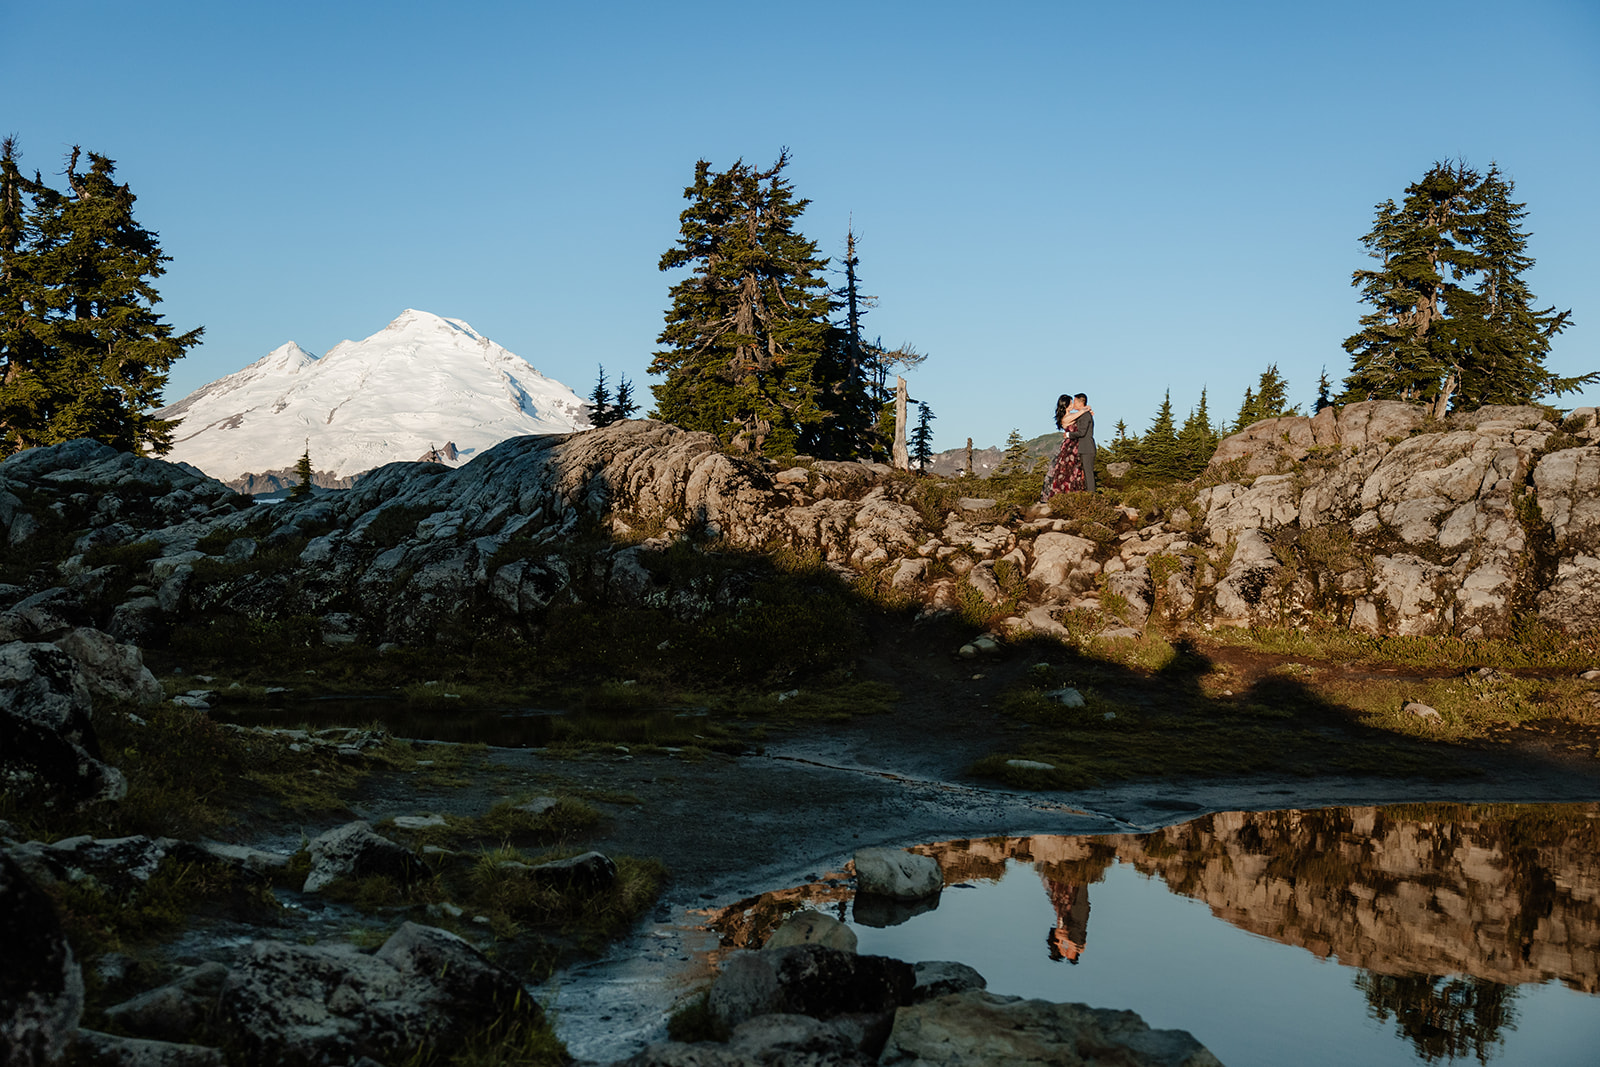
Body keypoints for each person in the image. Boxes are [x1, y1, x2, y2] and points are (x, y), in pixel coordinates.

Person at [1041, 393, 1089, 502]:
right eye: (1071, 403)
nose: (1072, 405)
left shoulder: (1072, 415)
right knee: (1068, 471)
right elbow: (1079, 414)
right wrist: (1086, 409)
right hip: (1070, 446)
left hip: (1076, 444)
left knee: (1074, 471)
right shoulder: (1065, 418)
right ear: (1066, 404)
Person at [1068, 392, 1096, 492]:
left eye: (1075, 402)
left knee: (1088, 473)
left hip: (1087, 448)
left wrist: (1068, 435)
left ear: (1080, 403)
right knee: (1085, 473)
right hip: (1084, 448)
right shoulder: (1082, 414)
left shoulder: (1085, 416)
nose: (1074, 405)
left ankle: (1091, 495)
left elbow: (1082, 432)